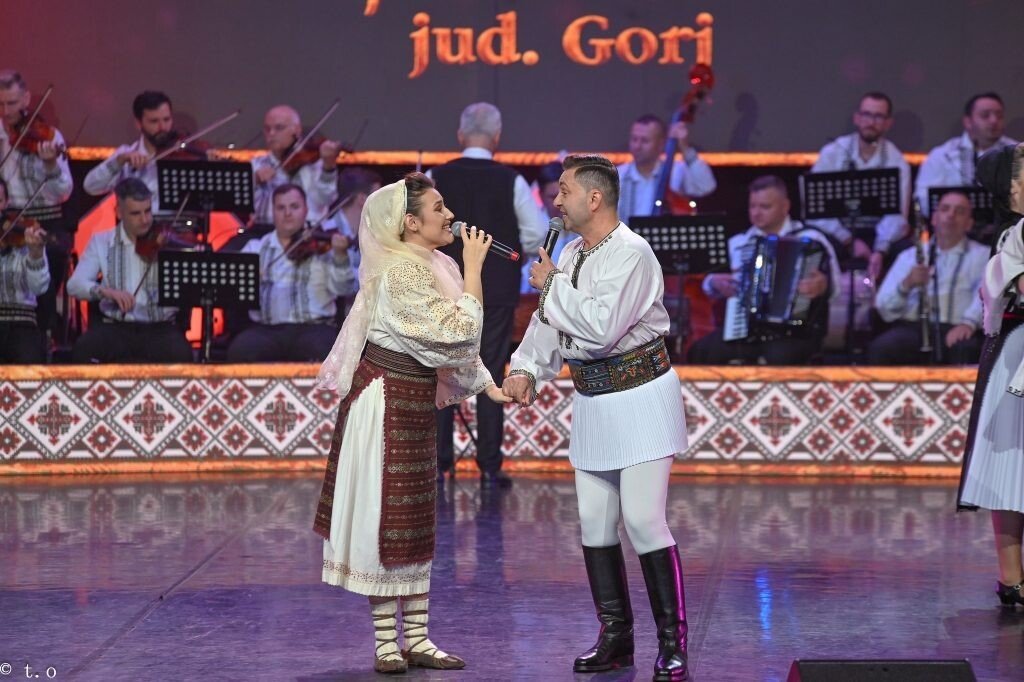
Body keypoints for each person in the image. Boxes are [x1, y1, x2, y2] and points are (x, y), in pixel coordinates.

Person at [313, 173, 510, 673]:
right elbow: (456, 333)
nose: (450, 215)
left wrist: (487, 385)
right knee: (386, 520)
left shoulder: (430, 265)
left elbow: (448, 344)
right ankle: (386, 642)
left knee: (415, 519)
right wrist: (474, 268)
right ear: (410, 223)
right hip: (384, 404)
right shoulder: (402, 273)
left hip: (412, 401)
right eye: (438, 208)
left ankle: (417, 637)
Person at [504, 154, 690, 681]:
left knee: (643, 520)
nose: (555, 201)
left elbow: (603, 328)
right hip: (594, 401)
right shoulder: (569, 251)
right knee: (594, 521)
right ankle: (616, 639)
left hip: (641, 397)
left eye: (563, 191)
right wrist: (526, 367)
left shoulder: (632, 252)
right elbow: (549, 323)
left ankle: (672, 642)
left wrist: (551, 285)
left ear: (594, 198)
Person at [430, 102, 546, 489]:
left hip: (443, 288)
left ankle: (439, 463)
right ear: (497, 137)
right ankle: (490, 465)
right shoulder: (511, 180)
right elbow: (534, 234)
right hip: (495, 291)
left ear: (460, 135)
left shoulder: (436, 177)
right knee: (492, 370)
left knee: (442, 370)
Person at [958, 143, 1024, 608]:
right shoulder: (1012, 237)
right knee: (1010, 468)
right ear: (1013, 188)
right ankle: (1012, 578)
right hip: (1017, 356)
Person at [687, 175, 840, 365]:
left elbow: (835, 287)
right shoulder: (738, 243)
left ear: (785, 206)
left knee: (779, 356)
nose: (756, 213)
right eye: (752, 206)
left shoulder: (813, 239)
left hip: (798, 332)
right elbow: (708, 283)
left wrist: (823, 286)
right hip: (744, 330)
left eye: (765, 207)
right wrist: (714, 282)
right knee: (702, 350)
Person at [66, 178, 192, 363]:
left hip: (160, 329)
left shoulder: (165, 243)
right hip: (115, 327)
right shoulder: (102, 241)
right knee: (84, 349)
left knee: (181, 354)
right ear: (119, 212)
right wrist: (106, 292)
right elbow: (74, 285)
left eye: (147, 211)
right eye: (135, 214)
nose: (145, 220)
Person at [226, 184, 355, 362]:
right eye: (281, 208)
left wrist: (340, 256)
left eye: (294, 207)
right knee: (240, 351)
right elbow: (232, 291)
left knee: (324, 350)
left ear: (305, 210)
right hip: (266, 329)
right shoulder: (255, 248)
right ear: (273, 212)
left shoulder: (323, 246)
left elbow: (344, 289)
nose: (287, 213)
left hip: (314, 327)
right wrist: (250, 280)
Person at [868, 190, 988, 364]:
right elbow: (883, 307)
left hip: (959, 326)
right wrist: (907, 284)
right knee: (882, 348)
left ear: (969, 224)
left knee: (966, 350)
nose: (951, 215)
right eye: (945, 209)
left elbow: (988, 296)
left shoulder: (983, 256)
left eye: (960, 211)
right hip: (913, 327)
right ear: (934, 218)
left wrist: (969, 323)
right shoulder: (909, 256)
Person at [0, 69, 74, 346]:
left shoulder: (48, 136)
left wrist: (51, 164)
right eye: (1, 104)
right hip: (6, 216)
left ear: (26, 99)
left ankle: (42, 333)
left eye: (12, 103)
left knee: (49, 254)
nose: (6, 112)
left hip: (46, 219)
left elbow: (63, 192)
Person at [811, 92, 911, 279]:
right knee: (816, 244)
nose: (871, 122)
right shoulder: (833, 153)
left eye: (878, 117)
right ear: (856, 118)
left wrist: (880, 250)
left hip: (879, 235)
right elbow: (817, 211)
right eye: (866, 115)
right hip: (840, 232)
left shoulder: (897, 161)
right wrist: (849, 240)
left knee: (906, 251)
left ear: (888, 123)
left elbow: (898, 216)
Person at [914, 93, 1017, 216]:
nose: (994, 120)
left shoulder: (1017, 153)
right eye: (985, 115)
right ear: (968, 122)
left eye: (999, 116)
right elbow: (924, 200)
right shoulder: (943, 155)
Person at [83, 91, 179, 212]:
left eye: (166, 119)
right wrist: (119, 162)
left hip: (176, 223)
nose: (162, 127)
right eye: (154, 121)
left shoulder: (181, 153)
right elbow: (91, 186)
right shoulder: (126, 154)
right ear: (139, 124)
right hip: (134, 224)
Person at [616, 113, 716, 222]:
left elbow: (706, 186)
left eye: (645, 141)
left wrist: (685, 148)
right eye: (634, 139)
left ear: (661, 144)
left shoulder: (676, 171)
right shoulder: (617, 176)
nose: (637, 146)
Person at [250, 105, 340, 225]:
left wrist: (328, 165)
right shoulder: (255, 164)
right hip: (264, 230)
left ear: (296, 130)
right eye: (267, 129)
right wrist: (255, 180)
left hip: (308, 231)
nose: (271, 133)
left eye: (279, 128)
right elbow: (243, 204)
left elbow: (326, 198)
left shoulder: (315, 164)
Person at [0, 178, 49, 362]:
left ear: (6, 203)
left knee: (27, 364)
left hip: (22, 322)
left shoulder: (24, 238)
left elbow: (39, 288)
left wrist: (36, 255)